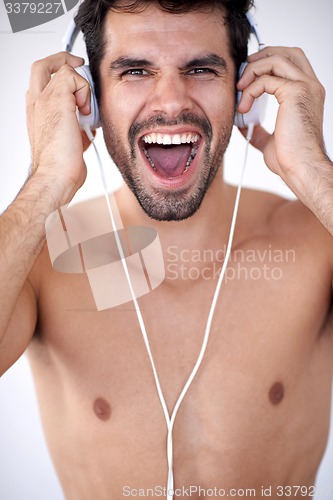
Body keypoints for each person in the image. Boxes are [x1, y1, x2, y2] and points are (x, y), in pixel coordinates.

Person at [0, 0, 332, 498]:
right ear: (88, 101)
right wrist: (45, 181)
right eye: (135, 70)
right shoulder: (40, 260)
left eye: (200, 69)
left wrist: (314, 172)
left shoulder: (316, 243)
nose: (170, 100)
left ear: (246, 91)